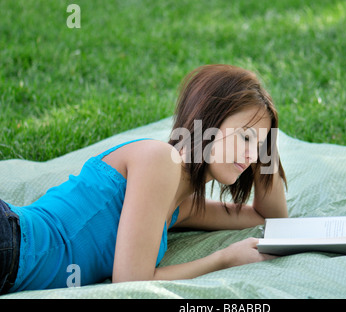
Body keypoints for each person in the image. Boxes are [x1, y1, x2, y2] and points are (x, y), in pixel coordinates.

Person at [0, 64, 287, 294]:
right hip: (10, 241)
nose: (252, 155)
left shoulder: (181, 205)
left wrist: (268, 148)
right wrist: (225, 258)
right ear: (208, 122)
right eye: (245, 137)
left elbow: (265, 216)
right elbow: (131, 281)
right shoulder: (161, 160)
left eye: (260, 145)